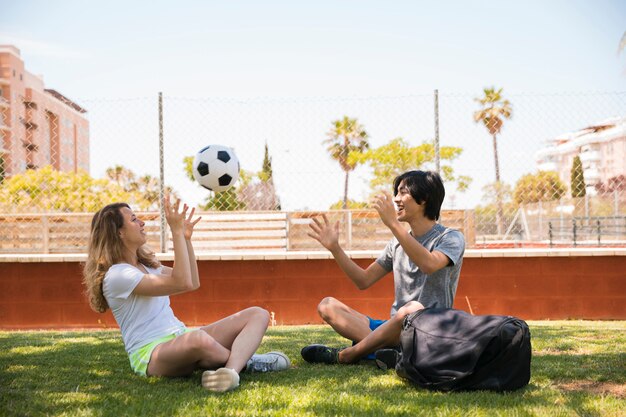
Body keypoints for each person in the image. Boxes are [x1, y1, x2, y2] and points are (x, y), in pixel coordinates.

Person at [83, 196, 290, 392]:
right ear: (118, 232)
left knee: (258, 314)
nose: (142, 223)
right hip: (150, 355)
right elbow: (181, 281)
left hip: (180, 337)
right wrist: (175, 231)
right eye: (134, 219)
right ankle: (252, 362)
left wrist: (185, 238)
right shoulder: (118, 275)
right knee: (197, 339)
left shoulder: (146, 266)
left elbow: (192, 282)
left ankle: (231, 372)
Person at [300, 170, 465, 367]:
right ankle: (392, 353)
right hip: (394, 328)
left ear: (424, 198)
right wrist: (335, 248)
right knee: (327, 305)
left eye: (403, 192)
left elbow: (429, 264)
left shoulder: (450, 237)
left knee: (413, 309)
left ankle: (348, 355)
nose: (396, 199)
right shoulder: (396, 244)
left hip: (430, 329)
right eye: (396, 193)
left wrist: (393, 224)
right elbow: (363, 280)